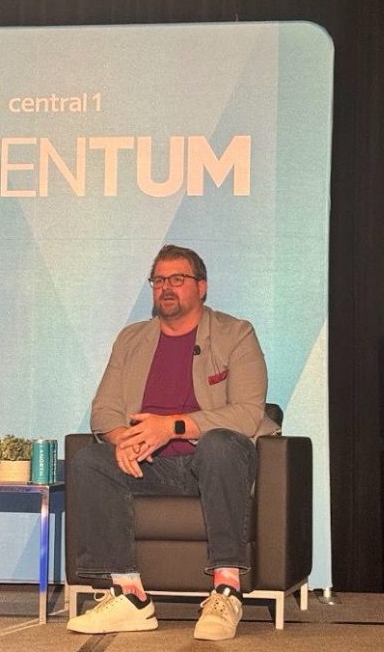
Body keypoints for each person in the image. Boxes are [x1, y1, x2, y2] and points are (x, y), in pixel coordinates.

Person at [67, 244, 277, 641]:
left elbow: (248, 413)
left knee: (219, 445)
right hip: (152, 466)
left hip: (214, 461)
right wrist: (123, 438)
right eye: (159, 280)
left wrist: (172, 427)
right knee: (91, 461)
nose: (166, 287)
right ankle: (129, 595)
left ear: (202, 287)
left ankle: (226, 590)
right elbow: (103, 409)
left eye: (177, 279)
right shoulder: (132, 339)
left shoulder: (236, 334)